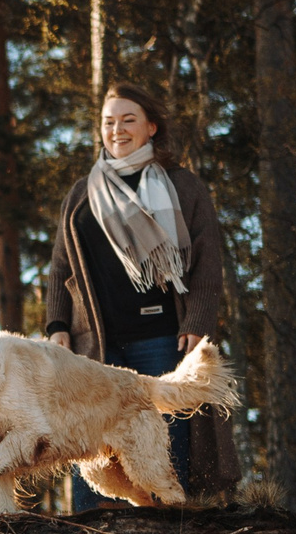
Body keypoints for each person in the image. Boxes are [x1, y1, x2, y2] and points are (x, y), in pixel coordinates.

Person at [43, 82, 240, 509]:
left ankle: (173, 524)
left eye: (128, 120)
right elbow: (61, 268)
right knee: (93, 438)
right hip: (95, 344)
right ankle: (97, 529)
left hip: (163, 339)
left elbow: (207, 262)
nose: (117, 129)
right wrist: (57, 325)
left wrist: (197, 325)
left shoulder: (183, 186)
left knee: (167, 434)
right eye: (108, 122)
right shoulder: (82, 194)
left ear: (151, 127)